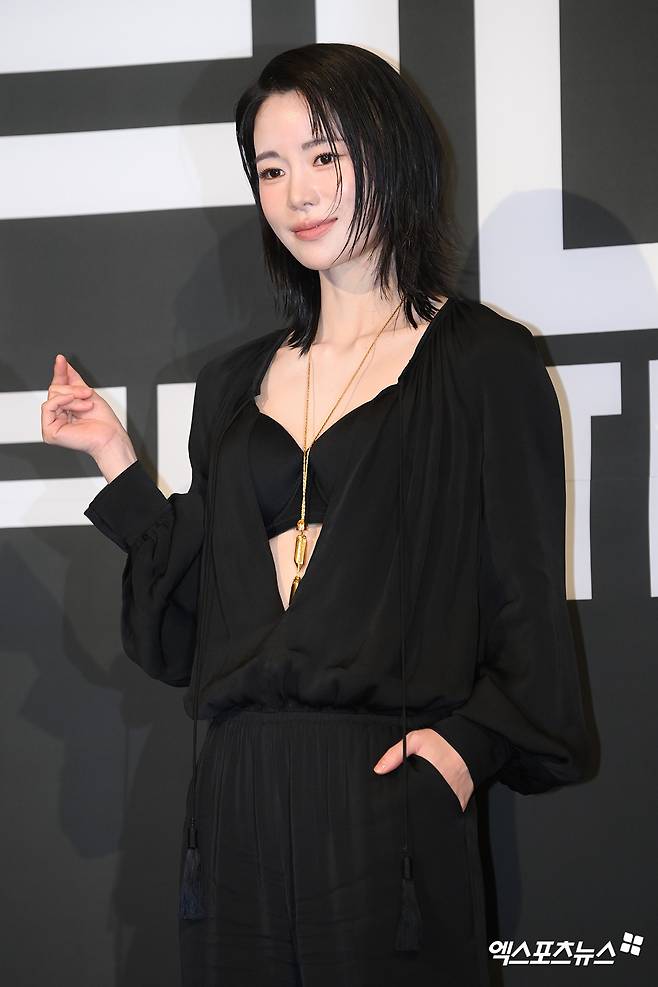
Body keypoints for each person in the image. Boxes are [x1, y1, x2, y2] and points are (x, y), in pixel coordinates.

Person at [41, 43, 591, 987]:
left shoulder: (480, 361)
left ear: (389, 149)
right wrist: (114, 460)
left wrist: (464, 750)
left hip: (387, 795)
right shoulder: (232, 384)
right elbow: (191, 628)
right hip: (237, 802)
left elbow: (525, 599)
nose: (298, 192)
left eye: (325, 154)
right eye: (270, 168)